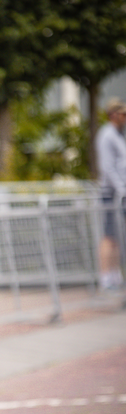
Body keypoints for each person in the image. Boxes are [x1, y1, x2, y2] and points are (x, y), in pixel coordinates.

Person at [95, 97, 126, 290]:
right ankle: (106, 275)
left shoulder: (118, 134)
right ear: (113, 114)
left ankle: (115, 273)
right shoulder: (107, 135)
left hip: (120, 193)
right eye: (122, 114)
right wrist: (121, 189)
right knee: (109, 234)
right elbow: (108, 166)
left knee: (116, 234)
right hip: (111, 192)